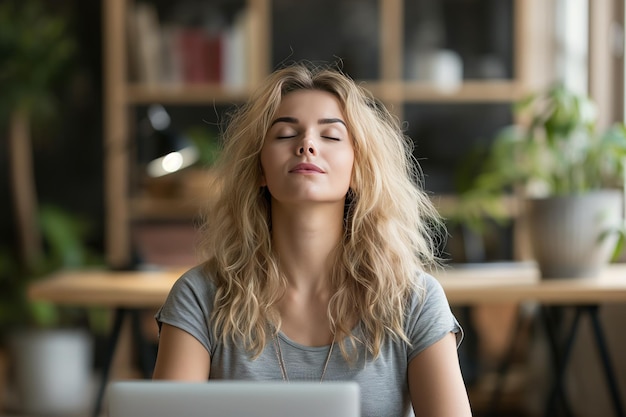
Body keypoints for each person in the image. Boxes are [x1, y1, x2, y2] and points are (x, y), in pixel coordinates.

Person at [152, 62, 472, 417]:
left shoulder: (414, 300)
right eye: (286, 134)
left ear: (358, 169)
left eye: (331, 136)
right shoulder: (200, 296)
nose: (306, 144)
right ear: (259, 168)